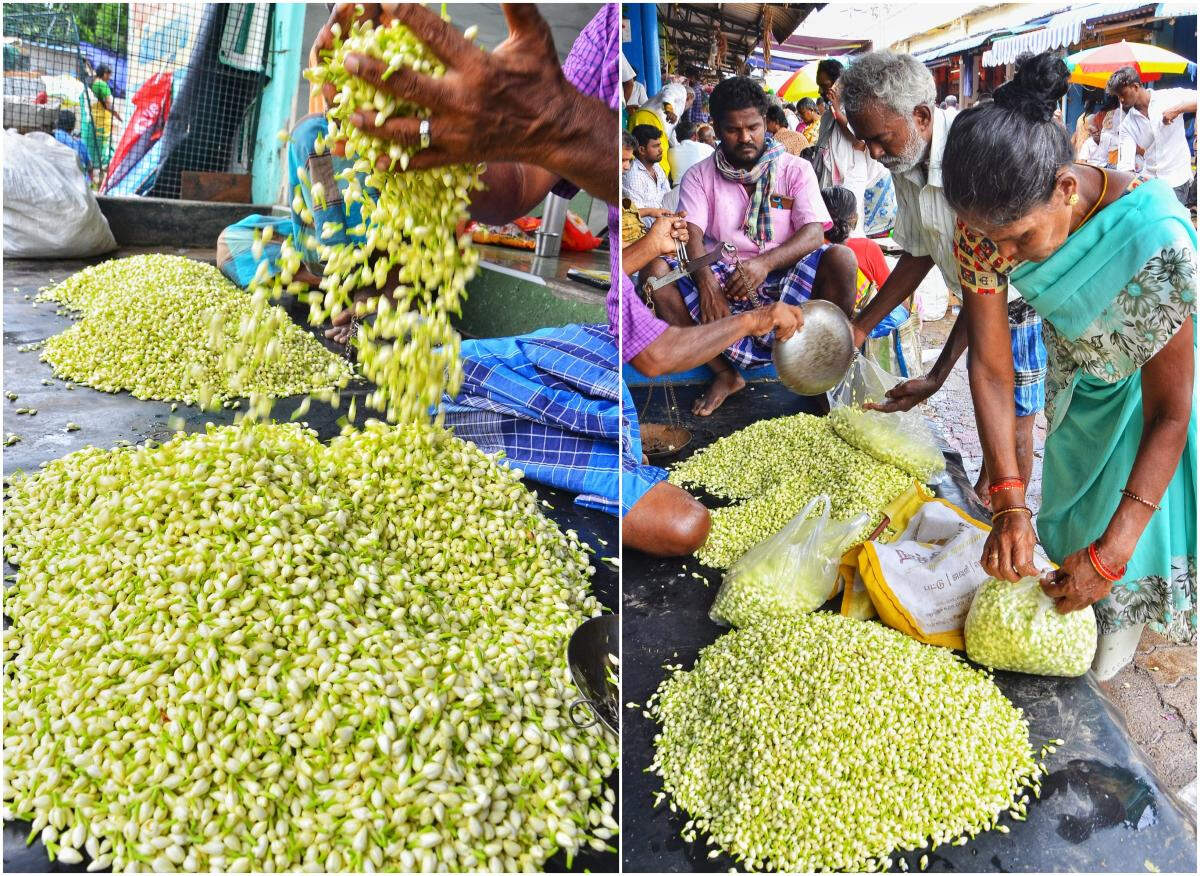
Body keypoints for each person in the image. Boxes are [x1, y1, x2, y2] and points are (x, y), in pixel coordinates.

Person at [941, 52, 1195, 679]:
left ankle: (1111, 661)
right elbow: (994, 369)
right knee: (1062, 546)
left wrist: (1113, 553)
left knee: (1119, 574)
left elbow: (1171, 412)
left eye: (1019, 241)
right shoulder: (985, 229)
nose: (1001, 257)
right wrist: (1007, 499)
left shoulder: (1155, 235)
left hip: (1150, 412)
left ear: (1065, 187)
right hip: (1077, 394)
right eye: (989, 239)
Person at [838, 51, 1048, 503]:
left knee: (1012, 426)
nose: (874, 153)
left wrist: (937, 375)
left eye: (880, 138)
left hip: (1020, 298)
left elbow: (992, 283)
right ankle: (986, 513)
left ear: (920, 116)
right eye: (864, 142)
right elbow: (918, 254)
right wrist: (860, 327)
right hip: (979, 294)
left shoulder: (972, 158)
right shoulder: (904, 161)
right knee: (992, 421)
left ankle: (997, 517)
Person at [641, 75, 858, 416]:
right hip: (723, 276)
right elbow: (692, 234)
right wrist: (707, 284)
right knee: (654, 273)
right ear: (715, 126)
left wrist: (765, 264)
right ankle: (726, 375)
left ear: (766, 123)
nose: (745, 137)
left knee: (842, 258)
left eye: (753, 127)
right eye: (732, 129)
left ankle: (821, 377)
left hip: (784, 273)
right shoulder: (700, 175)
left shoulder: (795, 169)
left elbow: (814, 234)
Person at [812, 57, 885, 235]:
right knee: (827, 218)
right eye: (819, 85)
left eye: (825, 84)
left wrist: (838, 109)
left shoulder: (855, 106)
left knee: (849, 224)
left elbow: (859, 139)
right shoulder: (828, 114)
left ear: (838, 82)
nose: (821, 90)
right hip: (829, 174)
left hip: (851, 171)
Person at [1107, 66, 1197, 205]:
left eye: (1122, 94)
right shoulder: (1127, 125)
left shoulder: (1168, 97)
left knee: (1168, 221)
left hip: (1176, 177)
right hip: (1150, 180)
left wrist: (1177, 110)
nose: (1121, 100)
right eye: (1118, 96)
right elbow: (1126, 166)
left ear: (1135, 87)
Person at [630, 81, 690, 177]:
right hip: (650, 119)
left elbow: (670, 132)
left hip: (644, 119)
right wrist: (669, 109)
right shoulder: (681, 89)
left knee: (637, 157)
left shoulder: (677, 111)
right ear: (689, 97)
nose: (688, 107)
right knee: (661, 164)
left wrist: (678, 146)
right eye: (691, 104)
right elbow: (668, 93)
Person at [624, 123, 671, 212]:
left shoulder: (656, 167)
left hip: (666, 214)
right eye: (655, 146)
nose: (661, 149)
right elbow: (637, 214)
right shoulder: (633, 176)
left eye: (659, 145)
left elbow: (668, 194)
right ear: (642, 150)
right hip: (649, 222)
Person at [87, 63, 121, 171]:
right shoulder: (102, 84)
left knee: (95, 147)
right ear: (103, 73)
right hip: (102, 121)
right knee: (103, 148)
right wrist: (118, 116)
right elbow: (109, 104)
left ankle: (94, 168)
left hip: (94, 120)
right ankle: (103, 170)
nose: (109, 77)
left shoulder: (92, 82)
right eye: (108, 74)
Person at [667, 117, 714, 186]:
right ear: (695, 136)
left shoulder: (670, 152)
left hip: (677, 190)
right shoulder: (707, 148)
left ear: (677, 138)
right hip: (701, 188)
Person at [52, 109, 92, 177]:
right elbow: (89, 166)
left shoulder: (53, 136)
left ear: (58, 122)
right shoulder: (79, 142)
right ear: (73, 126)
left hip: (57, 176)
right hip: (79, 180)